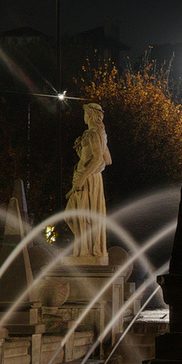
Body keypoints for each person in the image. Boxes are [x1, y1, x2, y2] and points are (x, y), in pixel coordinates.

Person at [65, 102, 112, 262]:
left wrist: (84, 176)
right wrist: (82, 152)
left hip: (87, 180)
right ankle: (84, 248)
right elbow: (108, 160)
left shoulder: (93, 134)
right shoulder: (99, 133)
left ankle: (85, 251)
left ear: (90, 115)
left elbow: (100, 158)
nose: (84, 116)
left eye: (85, 113)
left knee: (78, 216)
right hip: (91, 178)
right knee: (77, 215)